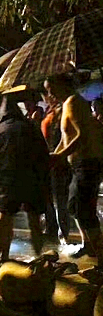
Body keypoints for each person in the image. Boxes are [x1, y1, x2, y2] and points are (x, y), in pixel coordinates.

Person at [0, 97, 50, 279]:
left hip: (8, 182)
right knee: (34, 223)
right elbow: (44, 156)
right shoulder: (32, 128)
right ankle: (41, 261)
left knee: (3, 223)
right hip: (33, 181)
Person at [45, 73, 103, 267]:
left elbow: (81, 135)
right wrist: (56, 154)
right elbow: (66, 137)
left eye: (50, 88)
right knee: (73, 206)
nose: (49, 93)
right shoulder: (68, 104)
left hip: (87, 164)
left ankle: (101, 259)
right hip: (79, 165)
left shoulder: (73, 103)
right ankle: (89, 245)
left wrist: (60, 156)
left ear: (61, 84)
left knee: (84, 211)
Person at [41, 92, 70, 244]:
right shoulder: (50, 112)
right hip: (48, 160)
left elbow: (63, 138)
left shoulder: (61, 112)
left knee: (60, 199)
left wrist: (57, 154)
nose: (46, 96)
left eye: (47, 93)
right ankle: (53, 229)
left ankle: (63, 235)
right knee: (51, 198)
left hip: (58, 160)